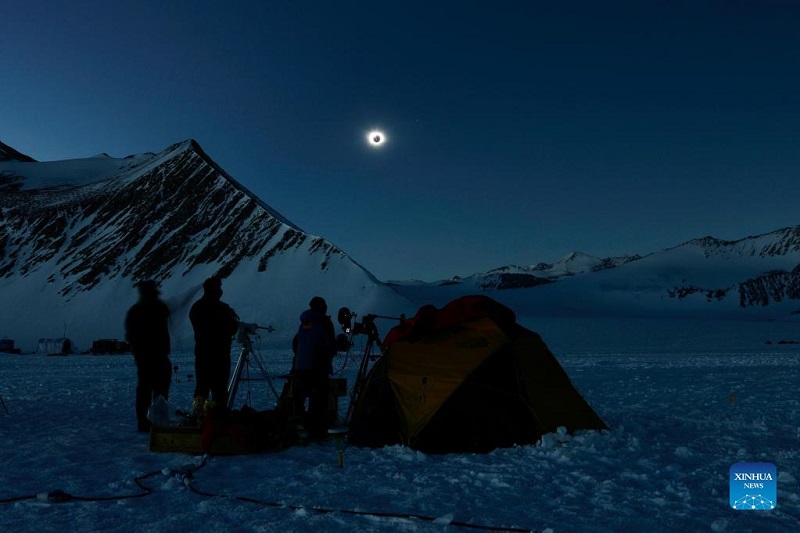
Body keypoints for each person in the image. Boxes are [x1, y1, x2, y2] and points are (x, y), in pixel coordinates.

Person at [124, 280, 172, 432]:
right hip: (154, 356)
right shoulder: (158, 308)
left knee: (147, 390)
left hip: (145, 357)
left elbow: (129, 336)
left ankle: (145, 421)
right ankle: (156, 420)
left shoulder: (135, 311)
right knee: (158, 390)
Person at [189, 276, 239, 415]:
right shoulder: (217, 309)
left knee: (204, 389)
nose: (221, 291)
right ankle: (214, 418)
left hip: (206, 355)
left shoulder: (198, 307)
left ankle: (201, 417)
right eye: (219, 288)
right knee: (216, 391)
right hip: (216, 355)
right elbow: (227, 327)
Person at [291, 296, 336, 438]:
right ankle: (316, 430)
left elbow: (296, 343)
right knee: (319, 399)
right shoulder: (324, 322)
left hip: (300, 366)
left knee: (299, 398)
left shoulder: (305, 322)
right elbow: (329, 345)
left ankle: (298, 426)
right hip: (317, 367)